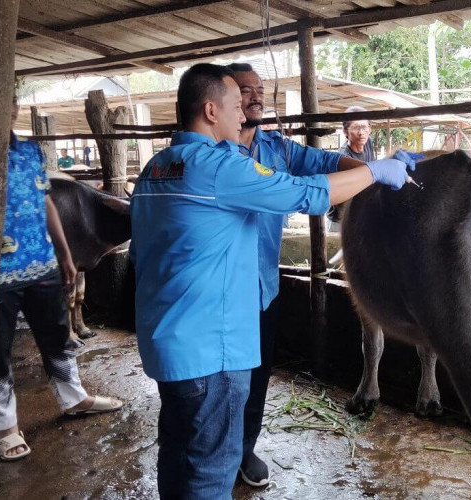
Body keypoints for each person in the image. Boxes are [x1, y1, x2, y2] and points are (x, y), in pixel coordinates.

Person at [129, 63, 413, 499]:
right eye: (234, 105)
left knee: (178, 453)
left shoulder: (158, 168)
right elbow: (309, 194)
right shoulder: (219, 167)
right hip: (213, 352)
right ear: (210, 110)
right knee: (211, 472)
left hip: (170, 343)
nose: (242, 114)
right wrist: (377, 171)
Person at [227, 63, 372, 487]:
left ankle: (244, 449)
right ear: (222, 101)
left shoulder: (277, 148)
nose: (255, 97)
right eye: (244, 90)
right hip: (219, 296)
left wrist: (368, 174)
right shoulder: (215, 156)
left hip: (262, 290)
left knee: (256, 376)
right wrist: (373, 175)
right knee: (219, 385)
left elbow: (325, 161)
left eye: (259, 89)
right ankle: (213, 458)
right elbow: (306, 193)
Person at [0, 73, 123, 462]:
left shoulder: (28, 151)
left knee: (58, 335)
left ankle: (73, 397)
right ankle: (3, 425)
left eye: (12, 101)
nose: (10, 108)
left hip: (40, 264)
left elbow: (44, 203)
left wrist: (63, 255)